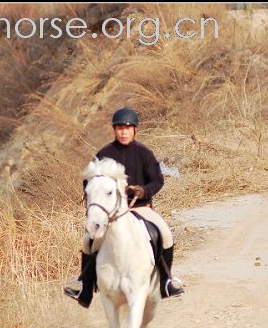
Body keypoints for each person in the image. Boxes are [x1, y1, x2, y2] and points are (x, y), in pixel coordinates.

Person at [64, 106, 185, 307]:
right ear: (114, 129)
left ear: (135, 130)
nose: (124, 132)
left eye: (128, 128)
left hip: (141, 208)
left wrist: (143, 191)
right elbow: (89, 181)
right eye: (120, 128)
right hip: (111, 214)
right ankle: (84, 288)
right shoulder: (104, 154)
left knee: (165, 233)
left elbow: (157, 180)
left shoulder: (144, 153)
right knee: (88, 241)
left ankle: (166, 281)